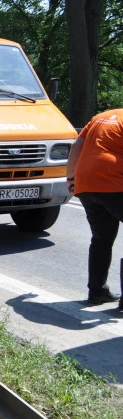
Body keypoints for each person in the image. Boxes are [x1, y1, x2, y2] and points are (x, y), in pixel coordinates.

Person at [66, 108, 123, 308]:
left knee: (102, 239)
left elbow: (77, 145)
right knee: (103, 239)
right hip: (114, 182)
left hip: (85, 182)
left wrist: (70, 178)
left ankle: (97, 292)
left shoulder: (101, 117)